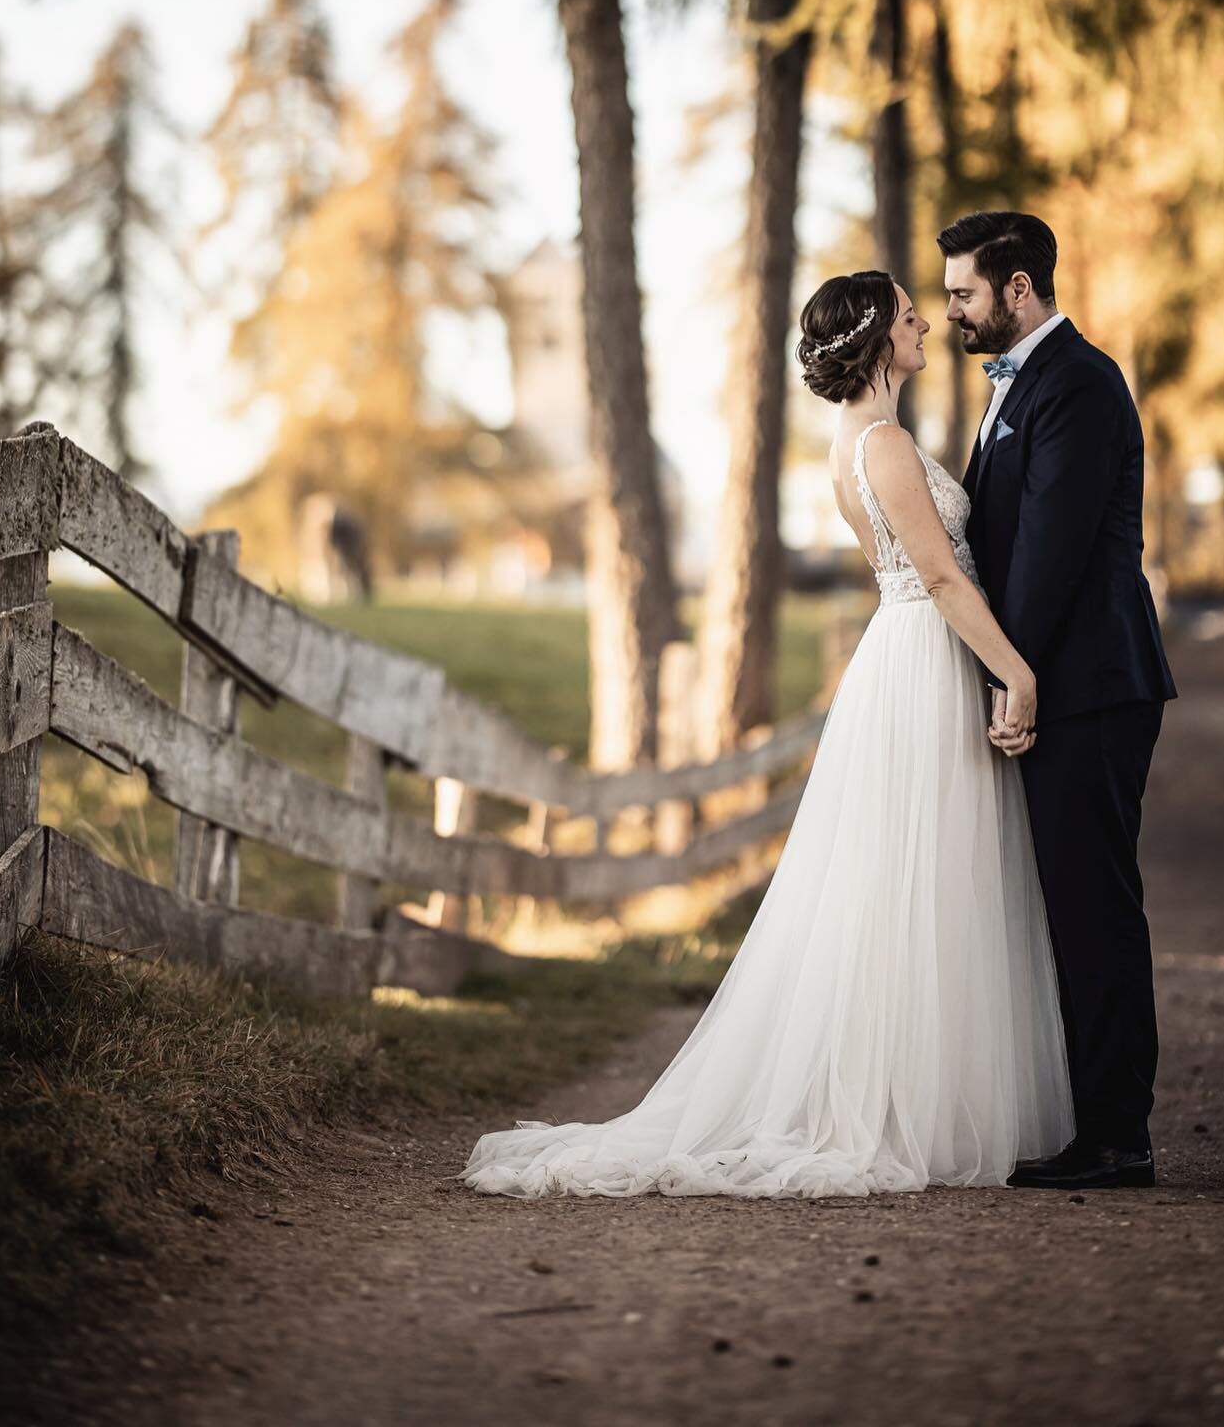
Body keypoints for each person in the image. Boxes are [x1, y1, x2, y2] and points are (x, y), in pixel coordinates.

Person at [459, 267, 1075, 1199]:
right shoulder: (888, 448)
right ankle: (897, 1101)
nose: (924, 328)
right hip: (923, 659)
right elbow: (945, 581)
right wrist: (1019, 671)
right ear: (875, 340)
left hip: (906, 658)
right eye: (910, 318)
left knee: (908, 886)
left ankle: (921, 1088)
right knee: (921, 878)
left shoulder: (849, 448)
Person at [940, 210, 1177, 1190]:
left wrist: (1010, 674)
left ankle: (1117, 1134)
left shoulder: (1078, 383)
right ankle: (1090, 1116)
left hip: (1086, 687)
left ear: (1018, 291)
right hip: (1058, 681)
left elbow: (1049, 555)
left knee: (1093, 907)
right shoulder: (1018, 385)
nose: (955, 310)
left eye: (965, 293)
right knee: (1068, 905)